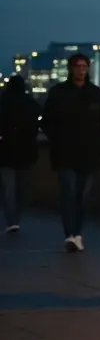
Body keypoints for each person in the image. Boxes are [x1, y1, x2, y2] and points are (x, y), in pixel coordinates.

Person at [41, 53, 100, 252]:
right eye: (78, 66)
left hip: (89, 153)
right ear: (71, 69)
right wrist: (57, 139)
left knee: (81, 196)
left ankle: (77, 233)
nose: (81, 70)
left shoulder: (97, 94)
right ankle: (70, 234)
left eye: (84, 66)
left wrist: (98, 141)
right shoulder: (58, 93)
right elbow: (46, 121)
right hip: (65, 152)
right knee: (68, 192)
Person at [0, 75, 41, 233]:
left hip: (5, 152)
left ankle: (11, 220)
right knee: (21, 188)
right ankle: (17, 216)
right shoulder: (30, 103)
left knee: (7, 187)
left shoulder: (3, 103)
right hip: (26, 151)